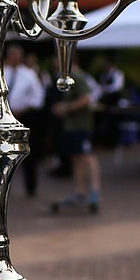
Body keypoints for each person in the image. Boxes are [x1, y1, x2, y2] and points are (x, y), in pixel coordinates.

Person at [50, 64, 102, 214]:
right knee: (76, 156)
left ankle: (95, 191)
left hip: (81, 126)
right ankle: (80, 191)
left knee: (87, 156)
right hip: (72, 126)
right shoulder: (68, 76)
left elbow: (86, 99)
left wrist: (66, 107)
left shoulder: (77, 77)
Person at [3, 44, 45, 197]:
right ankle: (4, 187)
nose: (14, 57)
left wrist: (24, 109)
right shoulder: (2, 72)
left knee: (28, 152)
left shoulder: (29, 74)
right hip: (5, 117)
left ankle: (31, 187)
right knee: (5, 154)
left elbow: (38, 97)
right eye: (12, 54)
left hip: (25, 116)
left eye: (17, 54)